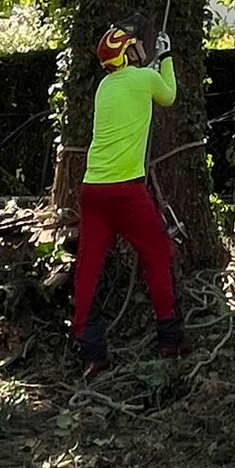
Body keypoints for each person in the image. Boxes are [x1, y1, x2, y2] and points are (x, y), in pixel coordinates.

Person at [71, 20, 190, 368]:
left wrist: (151, 66)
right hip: (126, 192)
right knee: (158, 254)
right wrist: (166, 57)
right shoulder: (144, 80)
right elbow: (167, 94)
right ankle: (170, 338)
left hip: (93, 189)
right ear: (126, 55)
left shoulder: (105, 87)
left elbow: (138, 87)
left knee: (88, 268)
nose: (142, 47)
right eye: (135, 45)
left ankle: (90, 352)